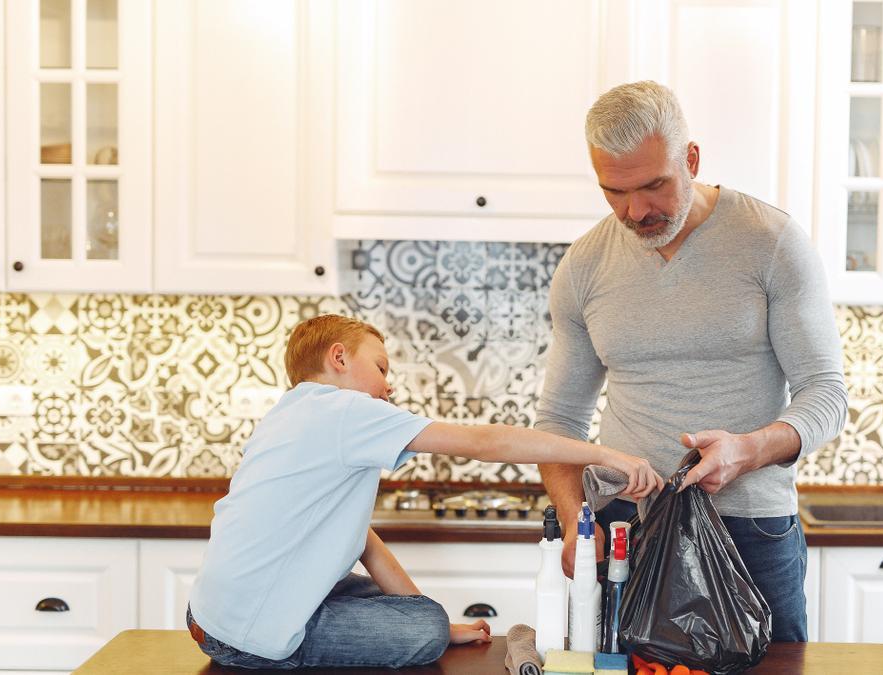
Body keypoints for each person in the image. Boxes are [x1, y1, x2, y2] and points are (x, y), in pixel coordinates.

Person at [534, 81, 848, 642]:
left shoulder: (771, 242)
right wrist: (573, 521)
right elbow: (558, 422)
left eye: (655, 185)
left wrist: (748, 451)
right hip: (624, 527)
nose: (637, 211)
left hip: (749, 527)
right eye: (615, 192)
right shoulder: (583, 266)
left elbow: (826, 394)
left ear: (692, 159)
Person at [186, 314, 662, 669]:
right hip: (252, 637)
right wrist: (603, 455)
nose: (388, 387)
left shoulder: (291, 415)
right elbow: (484, 441)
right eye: (380, 367)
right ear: (338, 357)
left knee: (422, 617)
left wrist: (425, 614)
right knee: (425, 629)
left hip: (213, 614)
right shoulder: (344, 411)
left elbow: (363, 540)